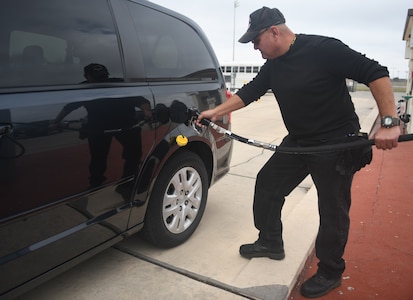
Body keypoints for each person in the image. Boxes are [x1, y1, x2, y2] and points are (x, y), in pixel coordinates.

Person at [196, 7, 401, 299]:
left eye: (256, 40)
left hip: (335, 142)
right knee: (268, 184)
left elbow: (376, 73)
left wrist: (389, 121)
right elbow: (251, 91)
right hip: (299, 141)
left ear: (274, 32)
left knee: (332, 209)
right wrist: (216, 112)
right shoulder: (274, 64)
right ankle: (270, 242)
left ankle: (331, 271)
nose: (255, 47)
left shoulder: (323, 49)